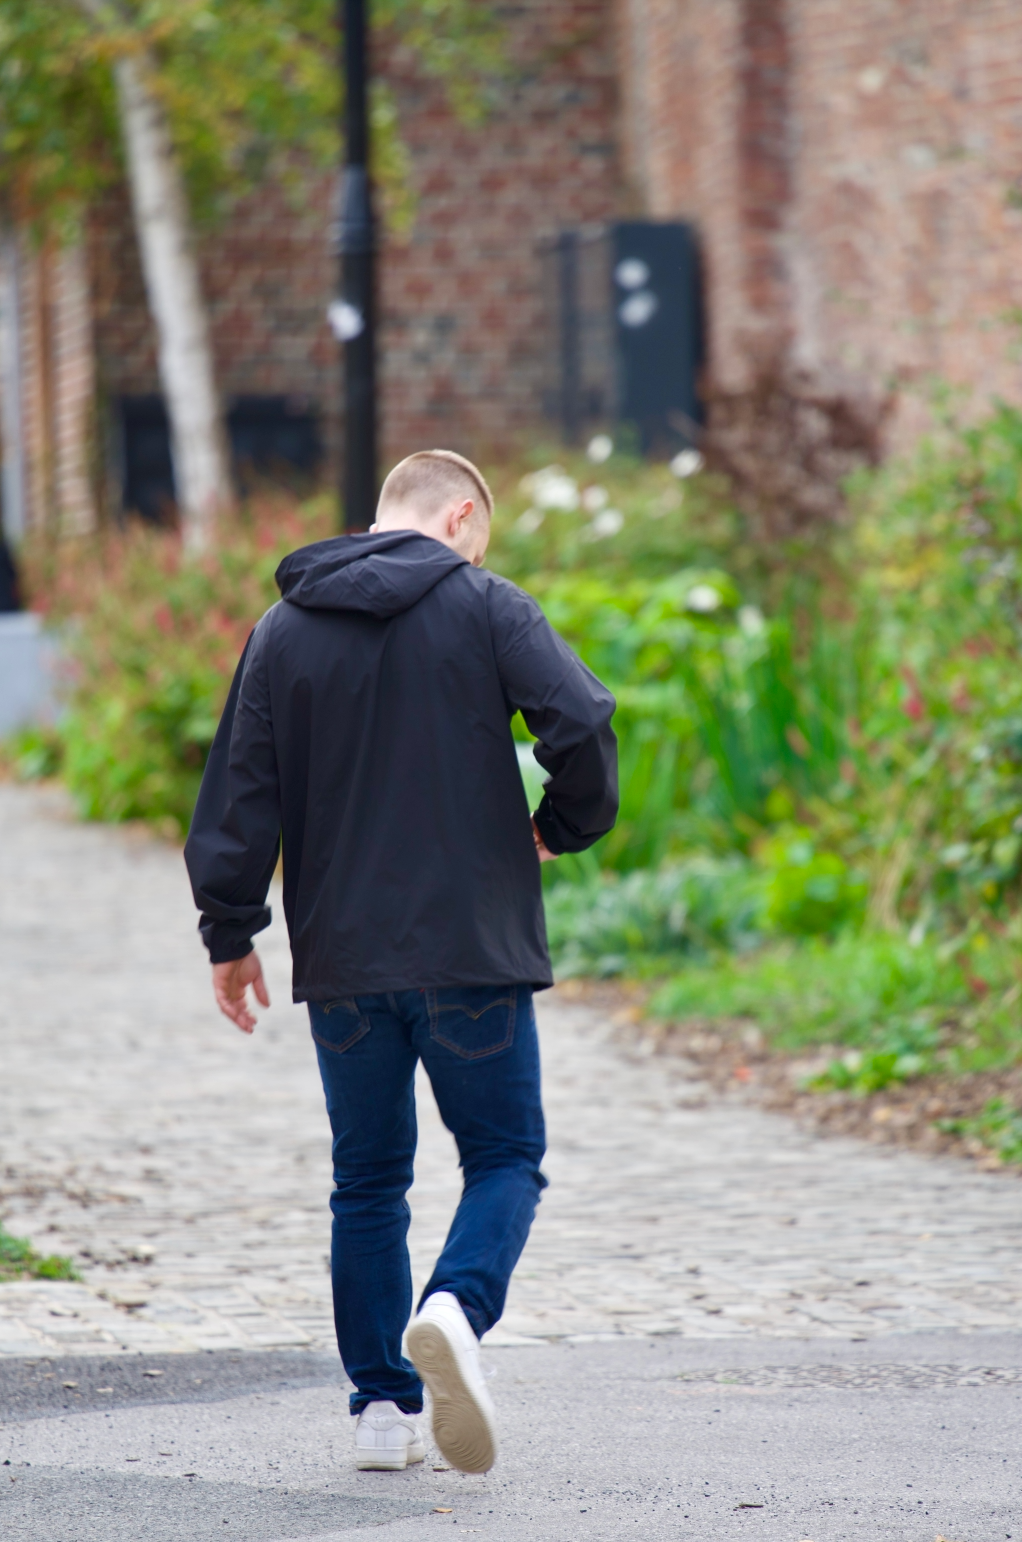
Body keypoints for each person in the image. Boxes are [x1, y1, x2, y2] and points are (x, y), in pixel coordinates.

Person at [184, 449, 617, 1474]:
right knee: (505, 1156)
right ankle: (456, 1311)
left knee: (366, 1183)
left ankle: (380, 1410)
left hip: (343, 960)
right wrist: (560, 823)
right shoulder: (485, 606)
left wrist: (230, 932)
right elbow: (582, 721)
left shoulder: (282, 631)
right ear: (461, 515)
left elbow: (238, 796)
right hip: (470, 948)